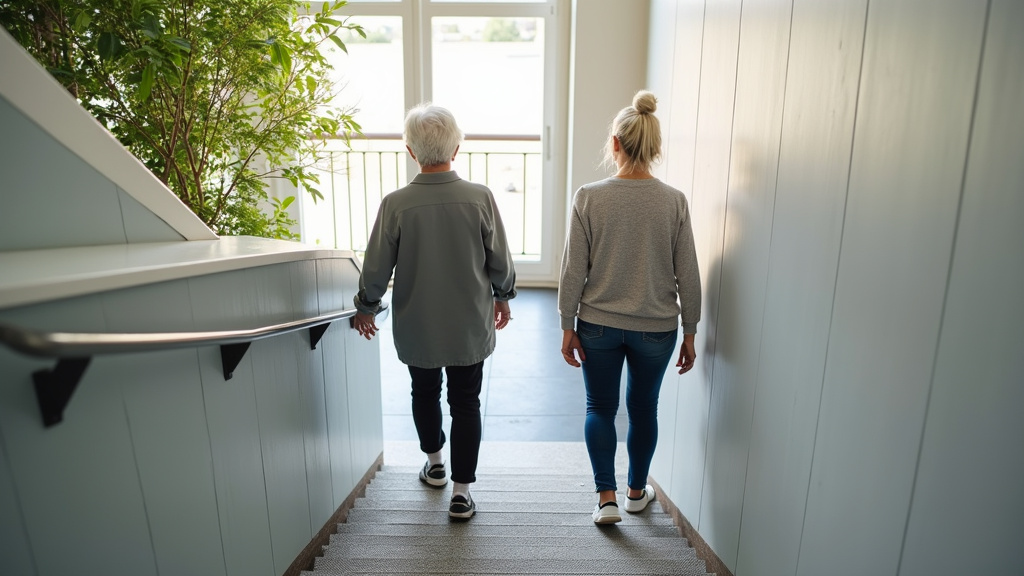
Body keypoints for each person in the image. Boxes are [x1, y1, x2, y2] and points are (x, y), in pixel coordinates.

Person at [352, 103, 517, 520]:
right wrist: (503, 295)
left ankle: (436, 464)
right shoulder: (480, 198)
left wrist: (367, 307)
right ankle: (461, 494)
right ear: (456, 148)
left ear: (410, 151)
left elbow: (376, 267)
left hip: (418, 325)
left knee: (423, 392)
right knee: (466, 402)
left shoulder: (396, 204)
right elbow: (500, 260)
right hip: (468, 326)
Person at [558, 90, 701, 525]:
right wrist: (690, 330)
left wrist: (567, 324)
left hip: (598, 324)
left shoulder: (589, 197)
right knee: (644, 410)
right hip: (657, 330)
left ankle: (607, 498)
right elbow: (688, 274)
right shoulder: (673, 201)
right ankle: (637, 492)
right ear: (655, 148)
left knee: (599, 408)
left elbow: (572, 271)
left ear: (615, 144)